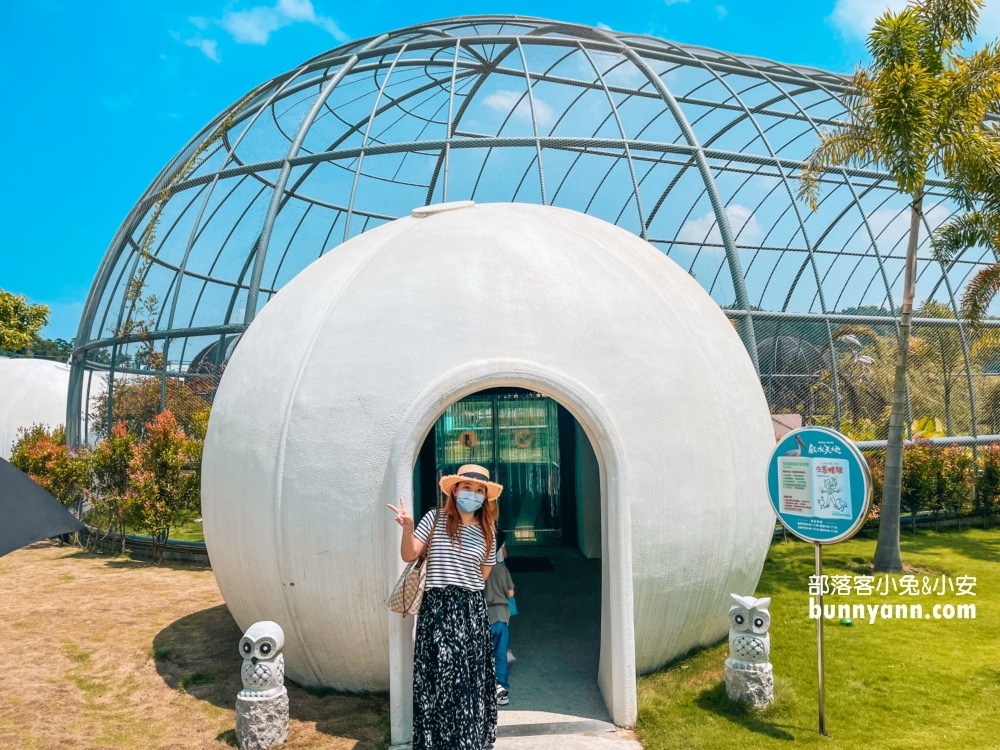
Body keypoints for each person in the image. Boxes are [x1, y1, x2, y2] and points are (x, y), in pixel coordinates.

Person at [387, 464, 502, 750]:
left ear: (486, 497)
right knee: (438, 675)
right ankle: (438, 741)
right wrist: (408, 528)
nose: (472, 494)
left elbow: (482, 576)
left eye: (479, 490)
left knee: (469, 679)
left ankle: (467, 740)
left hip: (471, 610)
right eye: (467, 488)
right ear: (454, 489)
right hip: (437, 609)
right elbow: (410, 553)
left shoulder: (489, 532)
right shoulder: (435, 519)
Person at [484, 535, 515, 705]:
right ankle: (502, 691)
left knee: (482, 655)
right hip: (501, 616)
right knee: (500, 654)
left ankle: (484, 690)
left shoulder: (477, 569)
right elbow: (510, 593)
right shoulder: (502, 569)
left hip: (484, 614)